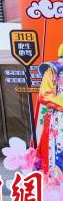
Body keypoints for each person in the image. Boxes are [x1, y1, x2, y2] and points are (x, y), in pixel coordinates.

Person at [36, 43, 63, 180]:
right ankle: (57, 183)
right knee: (57, 150)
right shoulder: (53, 70)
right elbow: (44, 95)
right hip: (58, 119)